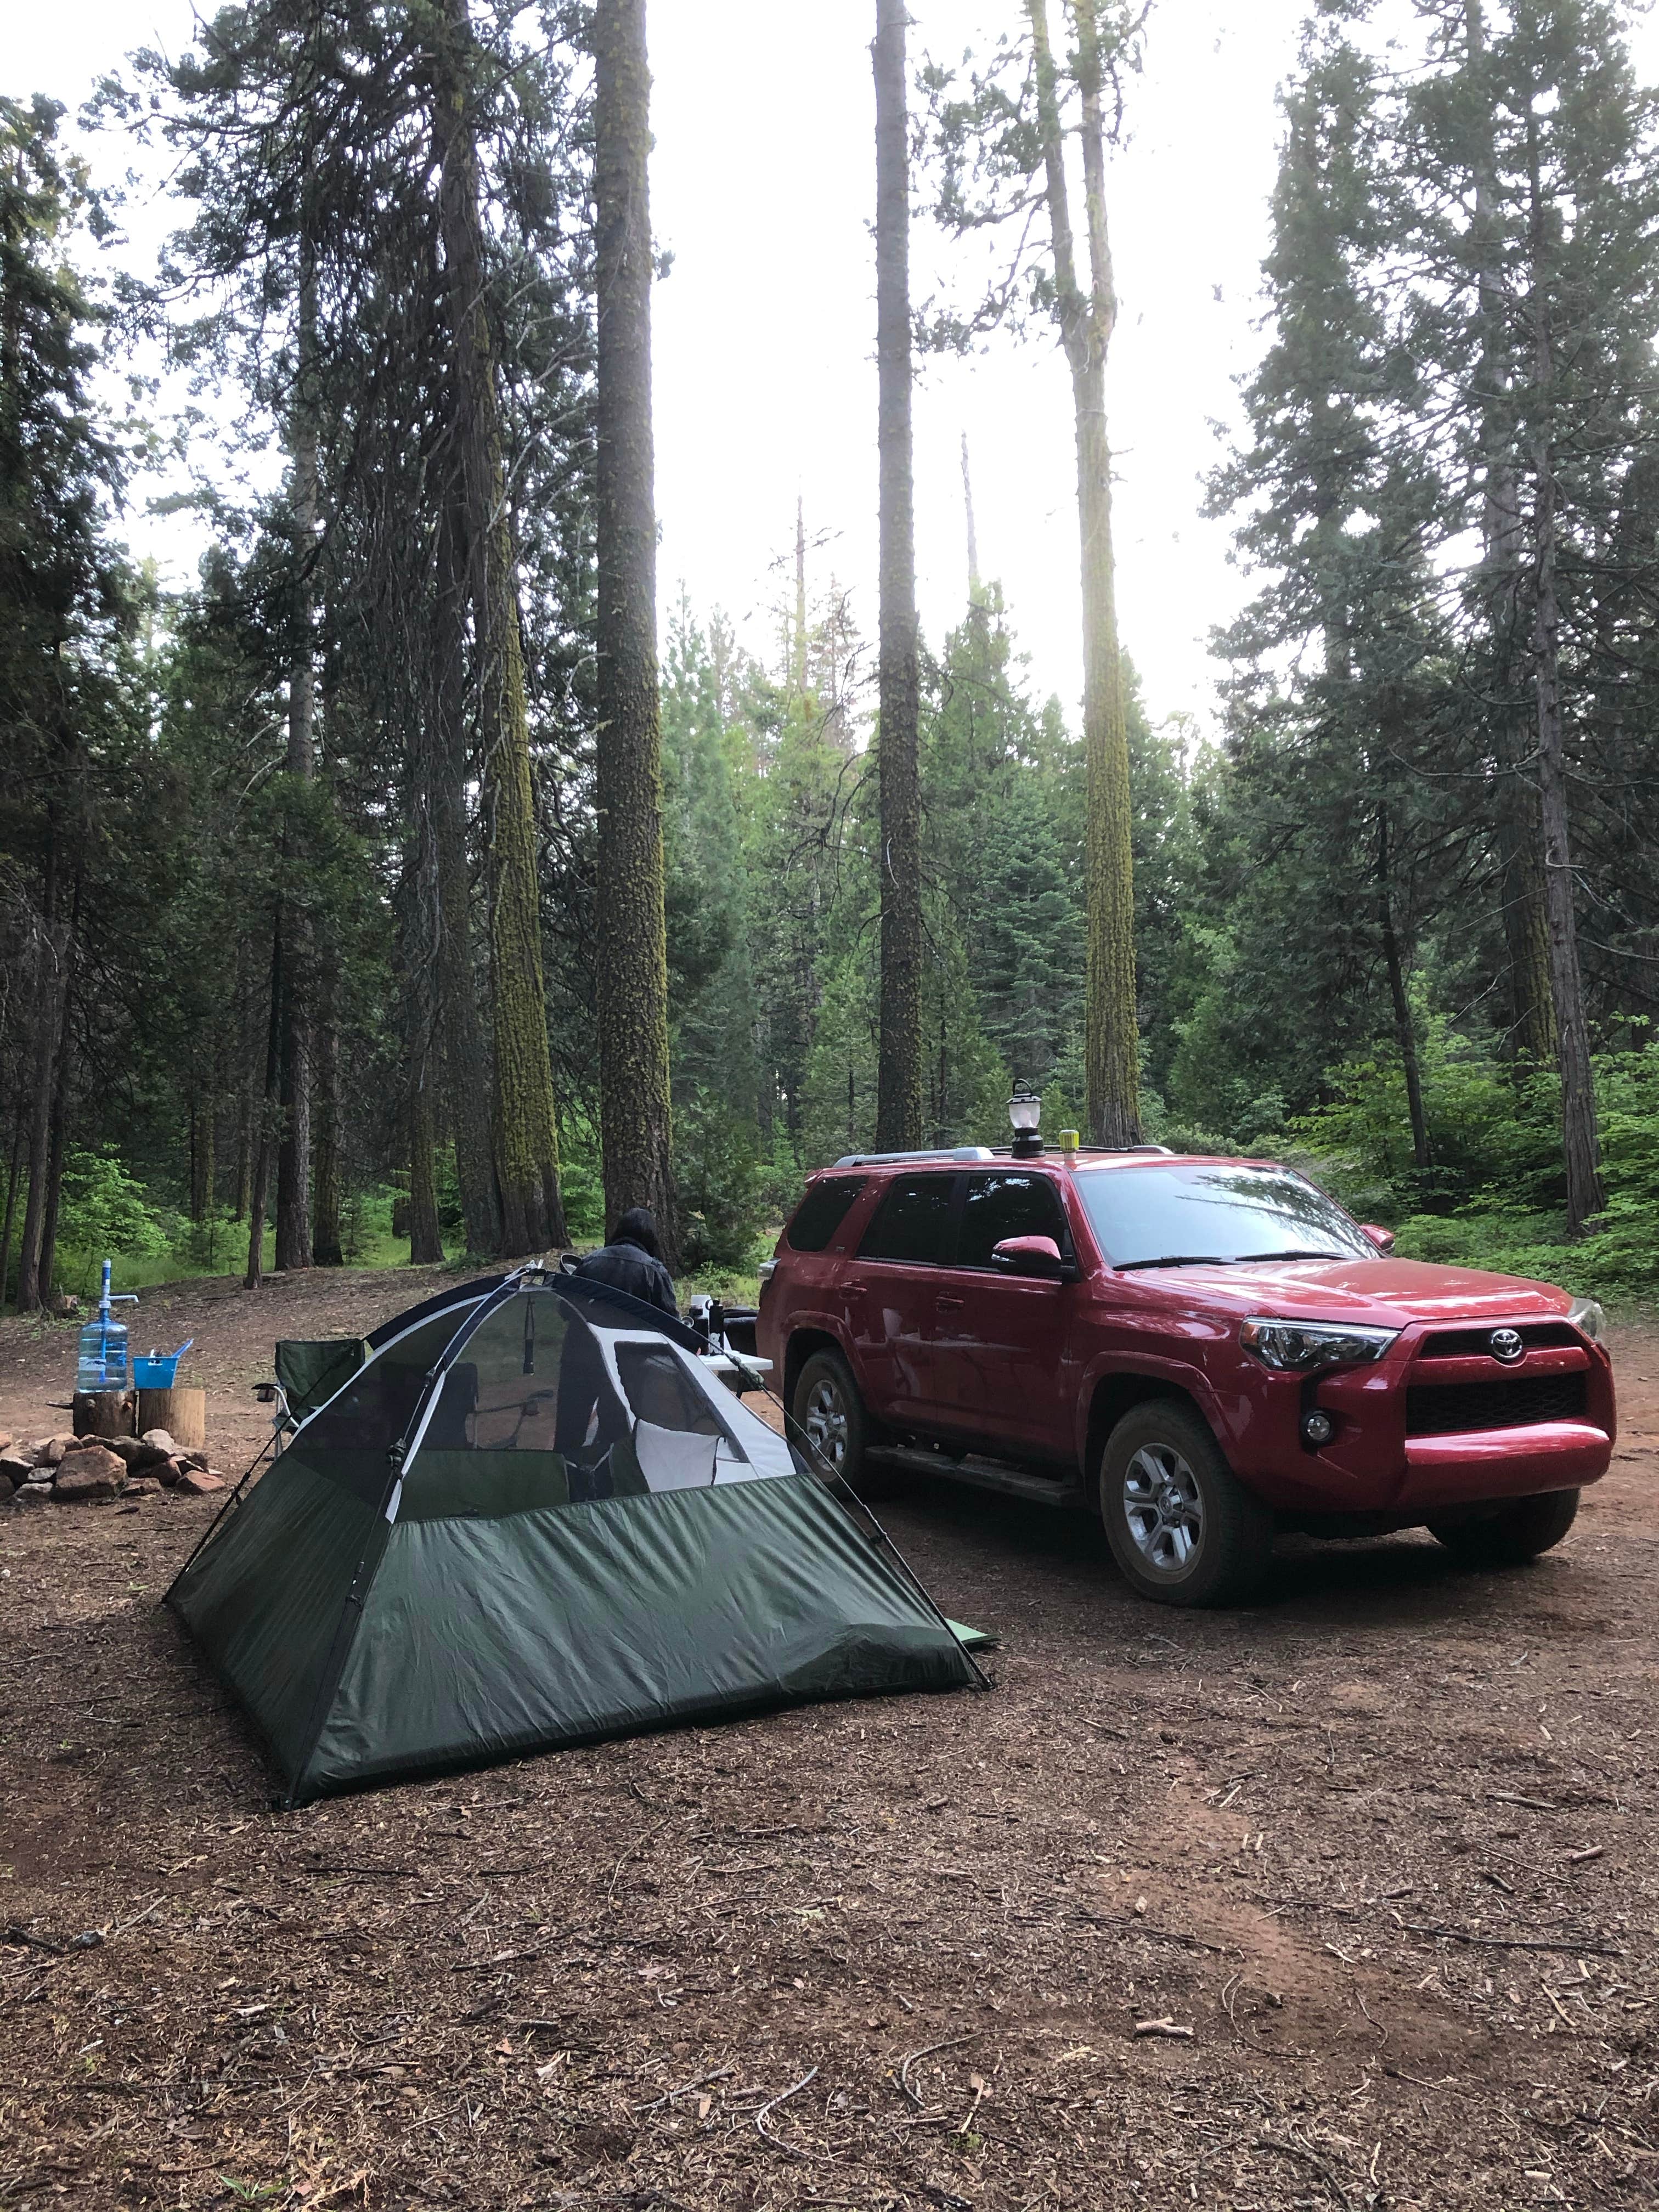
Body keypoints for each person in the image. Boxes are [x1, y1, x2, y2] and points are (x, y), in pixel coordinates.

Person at [573, 1206, 678, 1318]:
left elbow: (567, 1309)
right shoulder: (655, 1271)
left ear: (619, 1231)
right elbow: (672, 1322)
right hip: (637, 1335)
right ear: (651, 1237)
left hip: (592, 1333)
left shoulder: (590, 1261)